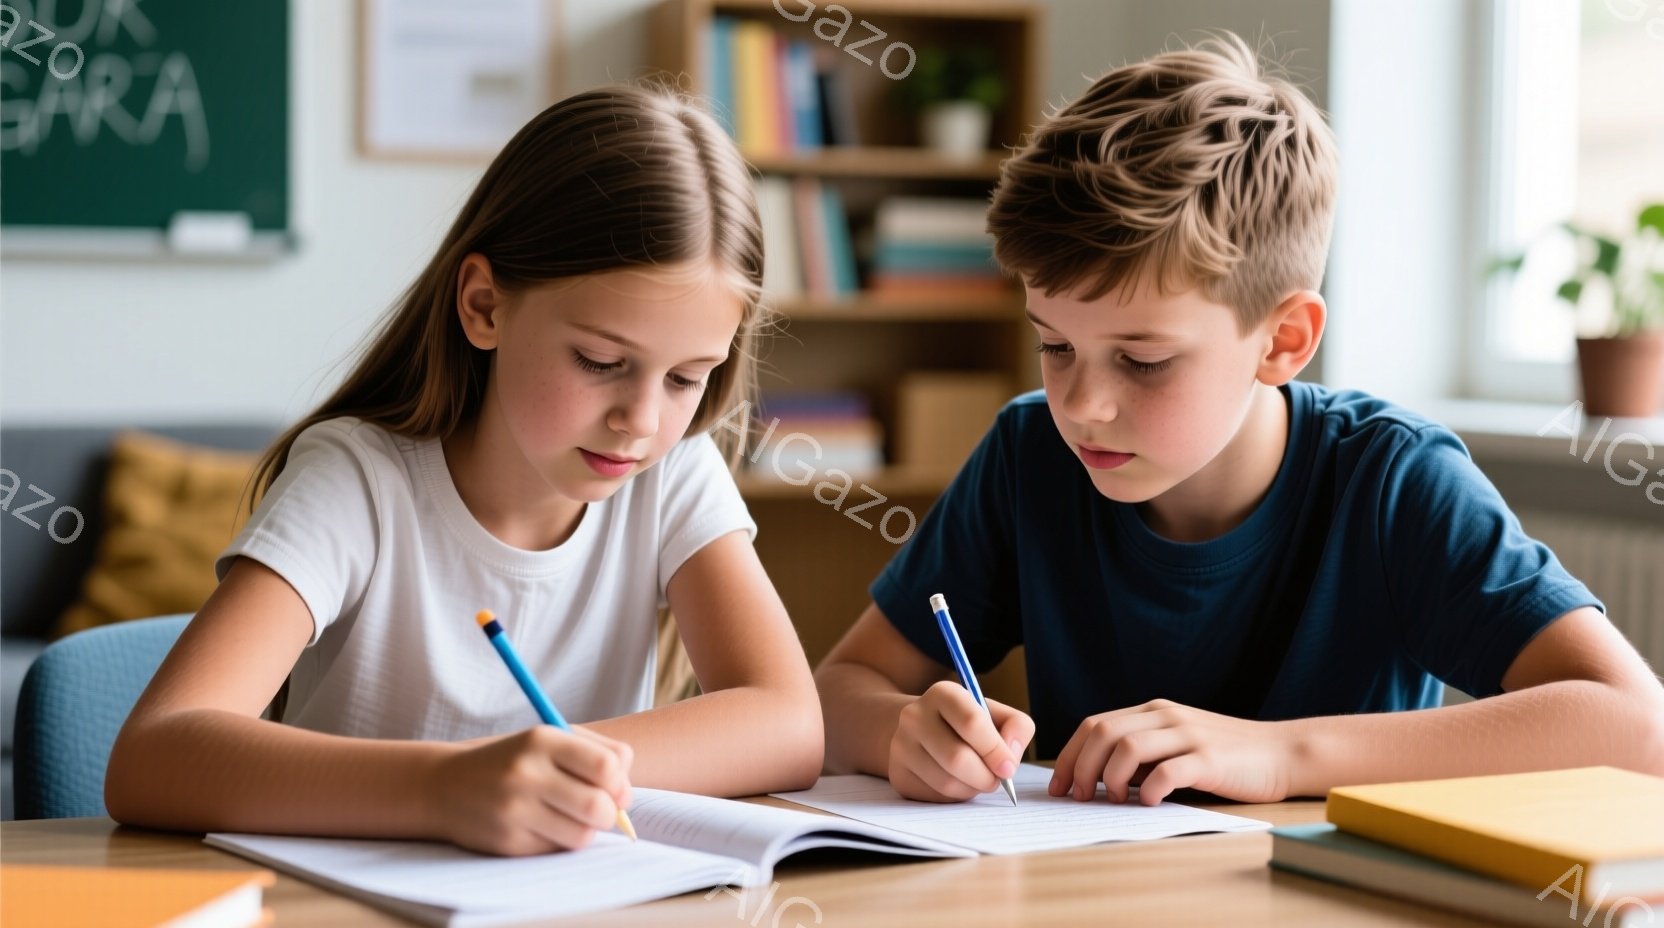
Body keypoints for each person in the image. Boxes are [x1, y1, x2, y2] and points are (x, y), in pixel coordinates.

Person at [816, 33, 1664, 807]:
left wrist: (1280, 755)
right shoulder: (1027, 453)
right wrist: (902, 731)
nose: (1080, 404)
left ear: (1283, 341)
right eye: (1055, 345)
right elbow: (837, 689)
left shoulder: (1391, 478)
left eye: (1143, 359)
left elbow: (1637, 727)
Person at [106, 85, 823, 856]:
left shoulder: (672, 476)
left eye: (686, 378)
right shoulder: (359, 481)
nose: (642, 421)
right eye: (600, 361)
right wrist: (446, 787)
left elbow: (788, 723)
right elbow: (153, 755)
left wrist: (555, 776)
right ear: (484, 306)